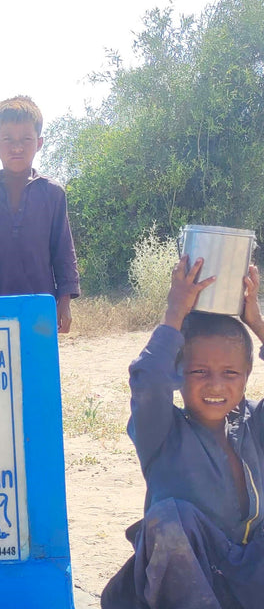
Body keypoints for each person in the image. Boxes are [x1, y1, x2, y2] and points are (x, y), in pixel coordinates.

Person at [101, 256, 264, 608]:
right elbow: (148, 381)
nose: (215, 385)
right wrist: (175, 311)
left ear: (248, 373)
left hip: (247, 579)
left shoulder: (255, 423)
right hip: (183, 583)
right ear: (177, 372)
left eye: (230, 373)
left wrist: (256, 320)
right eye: (199, 372)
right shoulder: (160, 431)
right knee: (170, 518)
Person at [0, 94, 81, 333]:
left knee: (38, 368)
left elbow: (63, 250)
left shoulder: (53, 194)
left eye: (26, 139)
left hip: (39, 307)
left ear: (40, 142)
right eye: (8, 139)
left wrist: (64, 302)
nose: (17, 147)